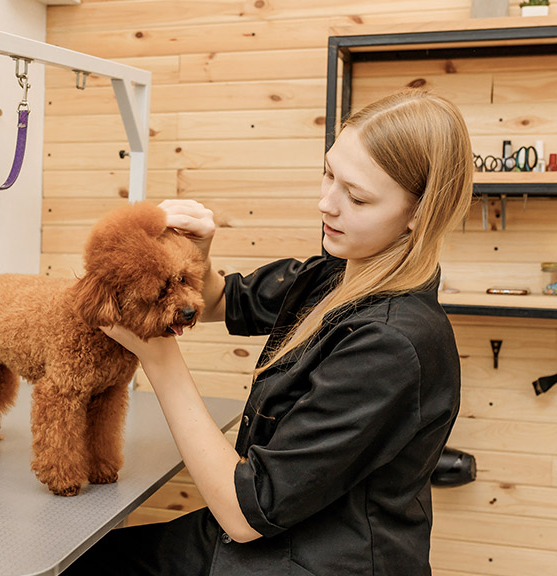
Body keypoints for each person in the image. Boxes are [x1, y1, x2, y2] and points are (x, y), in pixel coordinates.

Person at [63, 88, 474, 576]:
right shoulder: (334, 274)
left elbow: (245, 513)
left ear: (417, 217)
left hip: (313, 556)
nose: (326, 204)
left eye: (357, 196)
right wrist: (195, 256)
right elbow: (221, 301)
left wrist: (158, 358)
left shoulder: (392, 346)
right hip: (267, 534)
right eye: (328, 174)